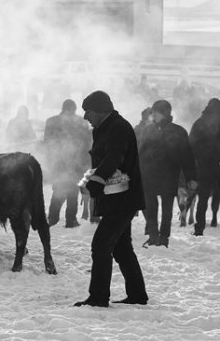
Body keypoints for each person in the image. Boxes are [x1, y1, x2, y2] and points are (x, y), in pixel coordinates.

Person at [75, 90, 148, 307]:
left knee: (101, 244)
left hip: (123, 198)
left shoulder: (117, 127)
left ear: (100, 110)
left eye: (88, 112)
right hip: (115, 197)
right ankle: (137, 295)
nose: (85, 117)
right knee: (122, 247)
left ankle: (98, 297)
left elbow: (114, 156)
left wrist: (97, 179)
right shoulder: (105, 127)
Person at [138, 100, 197, 247]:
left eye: (155, 112)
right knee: (150, 206)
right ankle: (153, 235)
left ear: (164, 113)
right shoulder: (148, 130)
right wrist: (136, 172)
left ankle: (164, 238)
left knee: (167, 209)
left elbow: (187, 157)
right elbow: (141, 154)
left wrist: (191, 178)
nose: (152, 115)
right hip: (149, 175)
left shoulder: (178, 131)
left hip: (169, 175)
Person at [43, 99, 90, 228]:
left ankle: (54, 217)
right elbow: (87, 142)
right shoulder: (80, 122)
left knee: (62, 189)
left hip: (62, 161)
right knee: (69, 190)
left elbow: (47, 143)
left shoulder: (52, 121)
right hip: (71, 161)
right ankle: (69, 219)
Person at [188, 98, 220, 235]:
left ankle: (199, 228)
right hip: (218, 164)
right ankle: (211, 220)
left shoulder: (199, 123)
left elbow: (191, 145)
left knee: (203, 198)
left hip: (203, 166)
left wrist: (196, 161)